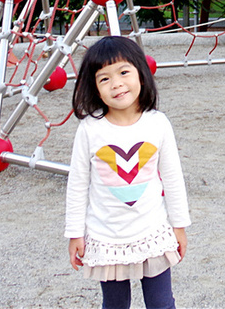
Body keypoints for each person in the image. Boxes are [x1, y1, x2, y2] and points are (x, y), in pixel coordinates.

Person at [66, 36, 190, 309]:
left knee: (161, 304)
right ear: (95, 89)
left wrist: (178, 226)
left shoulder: (157, 123)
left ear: (141, 76)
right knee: (115, 305)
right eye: (104, 78)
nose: (117, 84)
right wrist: (75, 233)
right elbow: (77, 184)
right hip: (106, 237)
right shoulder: (90, 129)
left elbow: (172, 178)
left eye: (124, 72)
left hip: (152, 232)